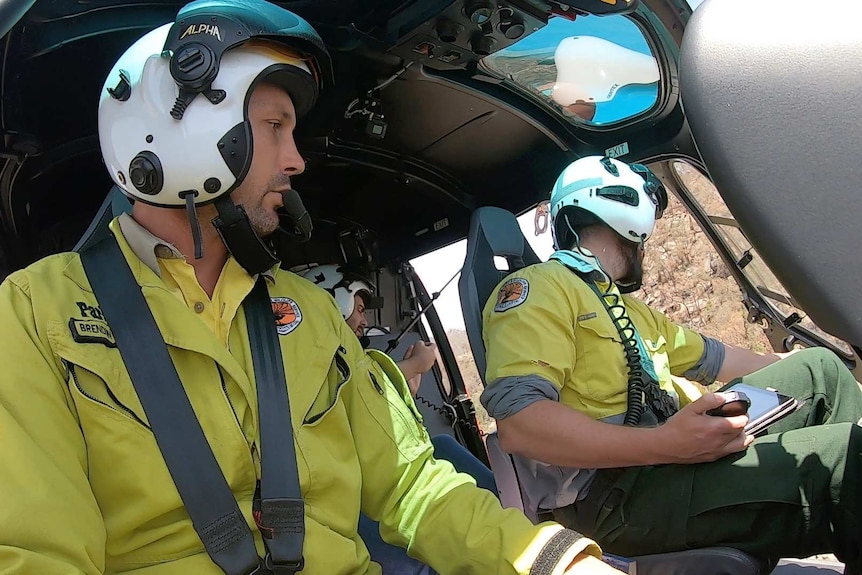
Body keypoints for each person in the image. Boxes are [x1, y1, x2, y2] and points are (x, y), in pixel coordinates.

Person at [0, 1, 625, 573]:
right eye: (276, 127)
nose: (296, 160)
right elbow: (31, 554)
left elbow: (413, 486)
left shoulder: (307, 314)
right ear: (178, 132)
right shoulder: (34, 312)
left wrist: (558, 565)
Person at [480, 154, 862, 571]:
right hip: (610, 499)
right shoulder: (538, 289)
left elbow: (717, 358)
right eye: (643, 239)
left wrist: (782, 359)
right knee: (848, 459)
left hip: (661, 462)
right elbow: (519, 426)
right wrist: (666, 444)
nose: (644, 248)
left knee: (820, 369)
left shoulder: (628, 310)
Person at [301, 263, 497, 574]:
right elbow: (354, 384)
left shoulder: (352, 360)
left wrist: (406, 389)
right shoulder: (310, 363)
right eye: (360, 308)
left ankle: (503, 512)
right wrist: (418, 363)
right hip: (339, 502)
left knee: (443, 445)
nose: (364, 320)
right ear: (334, 302)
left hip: (366, 482)